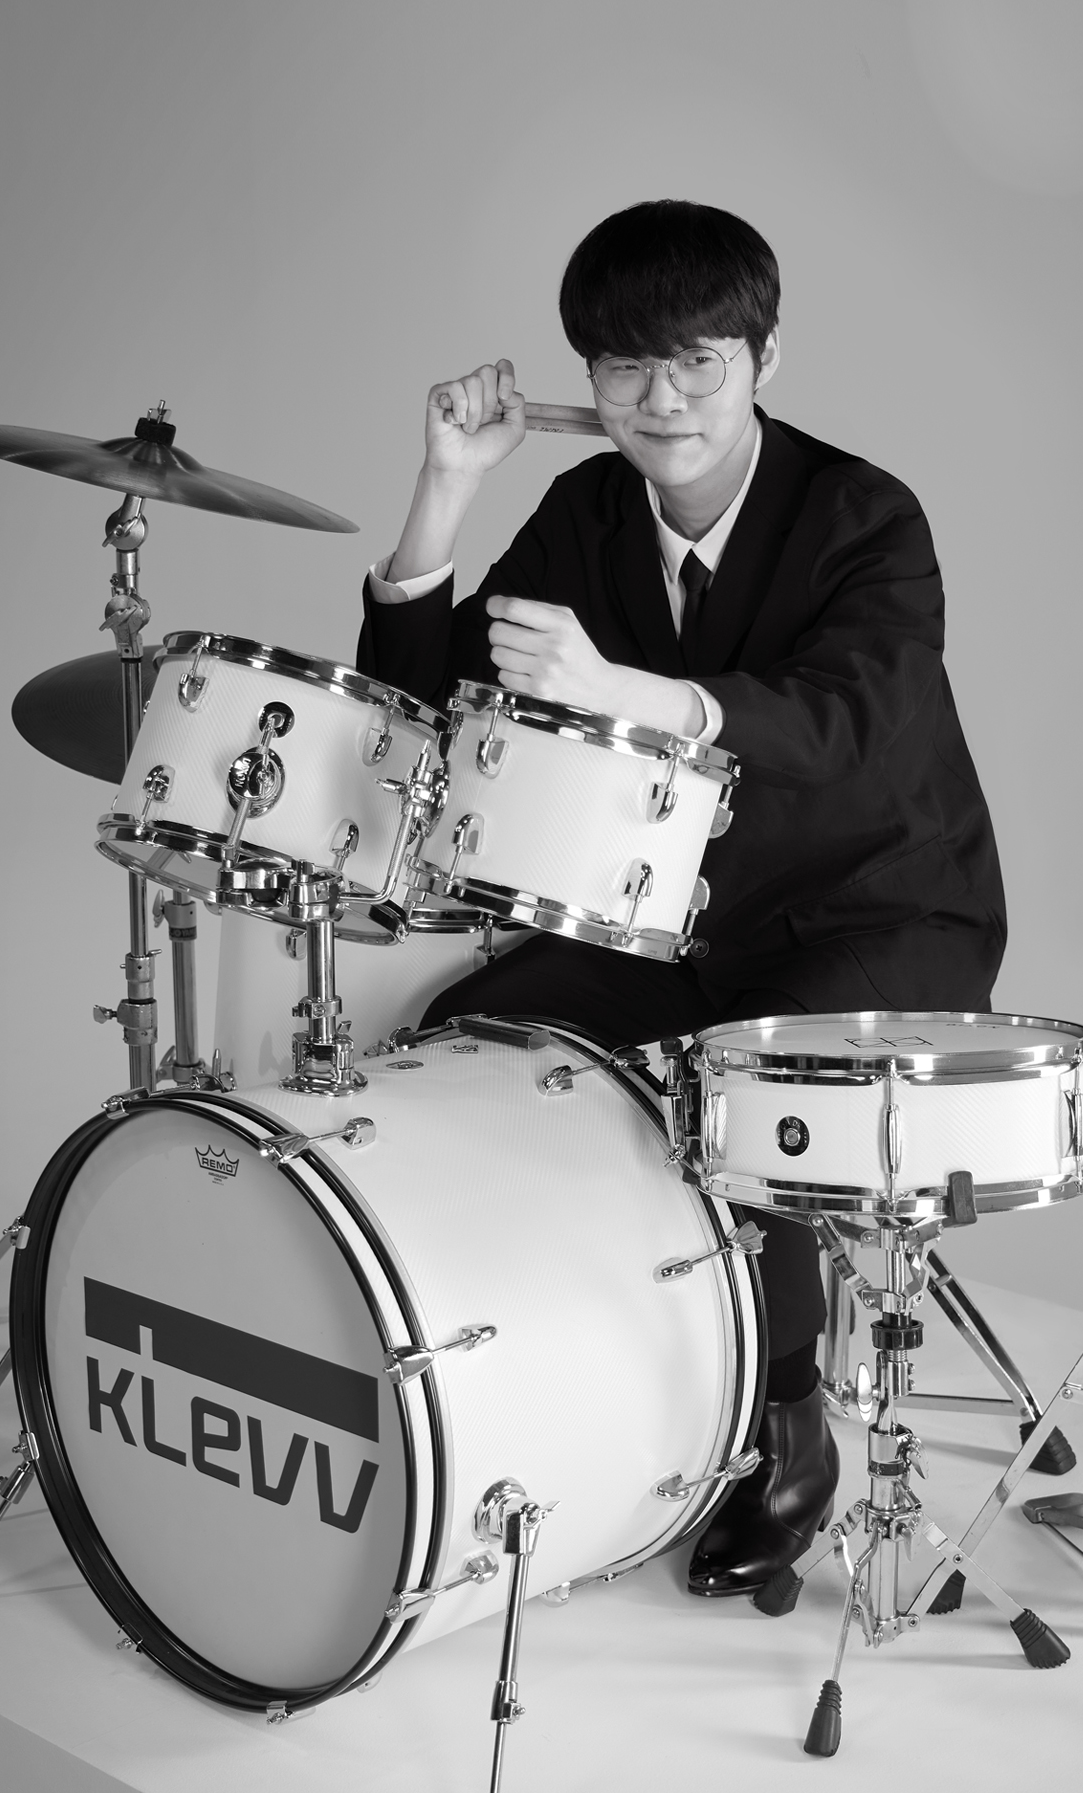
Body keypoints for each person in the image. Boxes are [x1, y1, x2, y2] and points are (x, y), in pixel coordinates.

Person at [357, 200, 1006, 1598]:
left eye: (698, 363)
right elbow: (420, 706)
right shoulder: (586, 510)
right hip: (677, 918)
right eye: (624, 369)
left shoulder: (863, 515)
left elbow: (851, 724)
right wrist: (443, 490)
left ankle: (787, 1428)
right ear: (589, 380)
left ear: (764, 358)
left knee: (742, 1100)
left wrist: (627, 692)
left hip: (880, 909)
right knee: (471, 1041)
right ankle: (552, 1372)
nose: (662, 403)